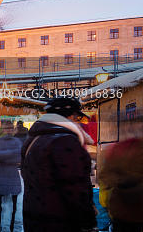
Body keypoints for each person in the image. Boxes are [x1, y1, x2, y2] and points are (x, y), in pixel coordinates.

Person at [21, 97, 96, 232]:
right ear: (70, 116)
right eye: (77, 118)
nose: (78, 123)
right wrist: (88, 221)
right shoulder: (65, 141)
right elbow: (75, 187)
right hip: (60, 220)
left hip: (34, 217)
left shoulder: (35, 138)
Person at [98, 135, 143, 232]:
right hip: (133, 211)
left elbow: (104, 177)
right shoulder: (137, 148)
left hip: (119, 211)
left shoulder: (118, 150)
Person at [0, 119, 22, 232]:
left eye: (10, 128)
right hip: (2, 175)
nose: (8, 130)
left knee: (13, 206)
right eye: (6, 128)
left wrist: (6, 154)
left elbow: (19, 156)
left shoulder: (16, 141)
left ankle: (11, 227)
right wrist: (11, 153)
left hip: (13, 175)